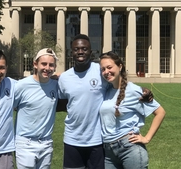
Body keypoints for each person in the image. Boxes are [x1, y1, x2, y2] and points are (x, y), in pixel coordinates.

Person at [58, 34, 152, 169]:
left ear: (90, 51)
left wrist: (142, 89)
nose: (80, 52)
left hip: (97, 140)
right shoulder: (64, 77)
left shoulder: (101, 70)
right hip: (72, 139)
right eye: (76, 49)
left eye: (84, 49)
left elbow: (119, 84)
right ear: (71, 52)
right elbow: (64, 103)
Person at [99, 51, 166, 169]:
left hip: (129, 149)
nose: (106, 72)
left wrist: (146, 138)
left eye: (109, 67)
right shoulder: (106, 90)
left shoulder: (133, 90)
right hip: (108, 152)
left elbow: (160, 112)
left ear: (120, 66)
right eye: (103, 69)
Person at [14, 48, 63, 169]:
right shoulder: (21, 85)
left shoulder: (56, 85)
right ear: (35, 64)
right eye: (44, 64)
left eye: (51, 65)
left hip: (46, 143)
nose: (47, 68)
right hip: (25, 143)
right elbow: (6, 107)